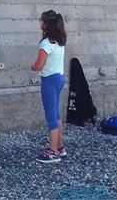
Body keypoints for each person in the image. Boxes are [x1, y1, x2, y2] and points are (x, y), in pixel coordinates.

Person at [31, 10, 67, 163]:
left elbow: (39, 65)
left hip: (49, 81)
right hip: (60, 78)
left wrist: (32, 67)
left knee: (51, 116)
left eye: (41, 20)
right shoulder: (60, 41)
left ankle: (52, 152)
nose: (40, 22)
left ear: (47, 24)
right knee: (56, 115)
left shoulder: (45, 43)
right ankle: (60, 148)